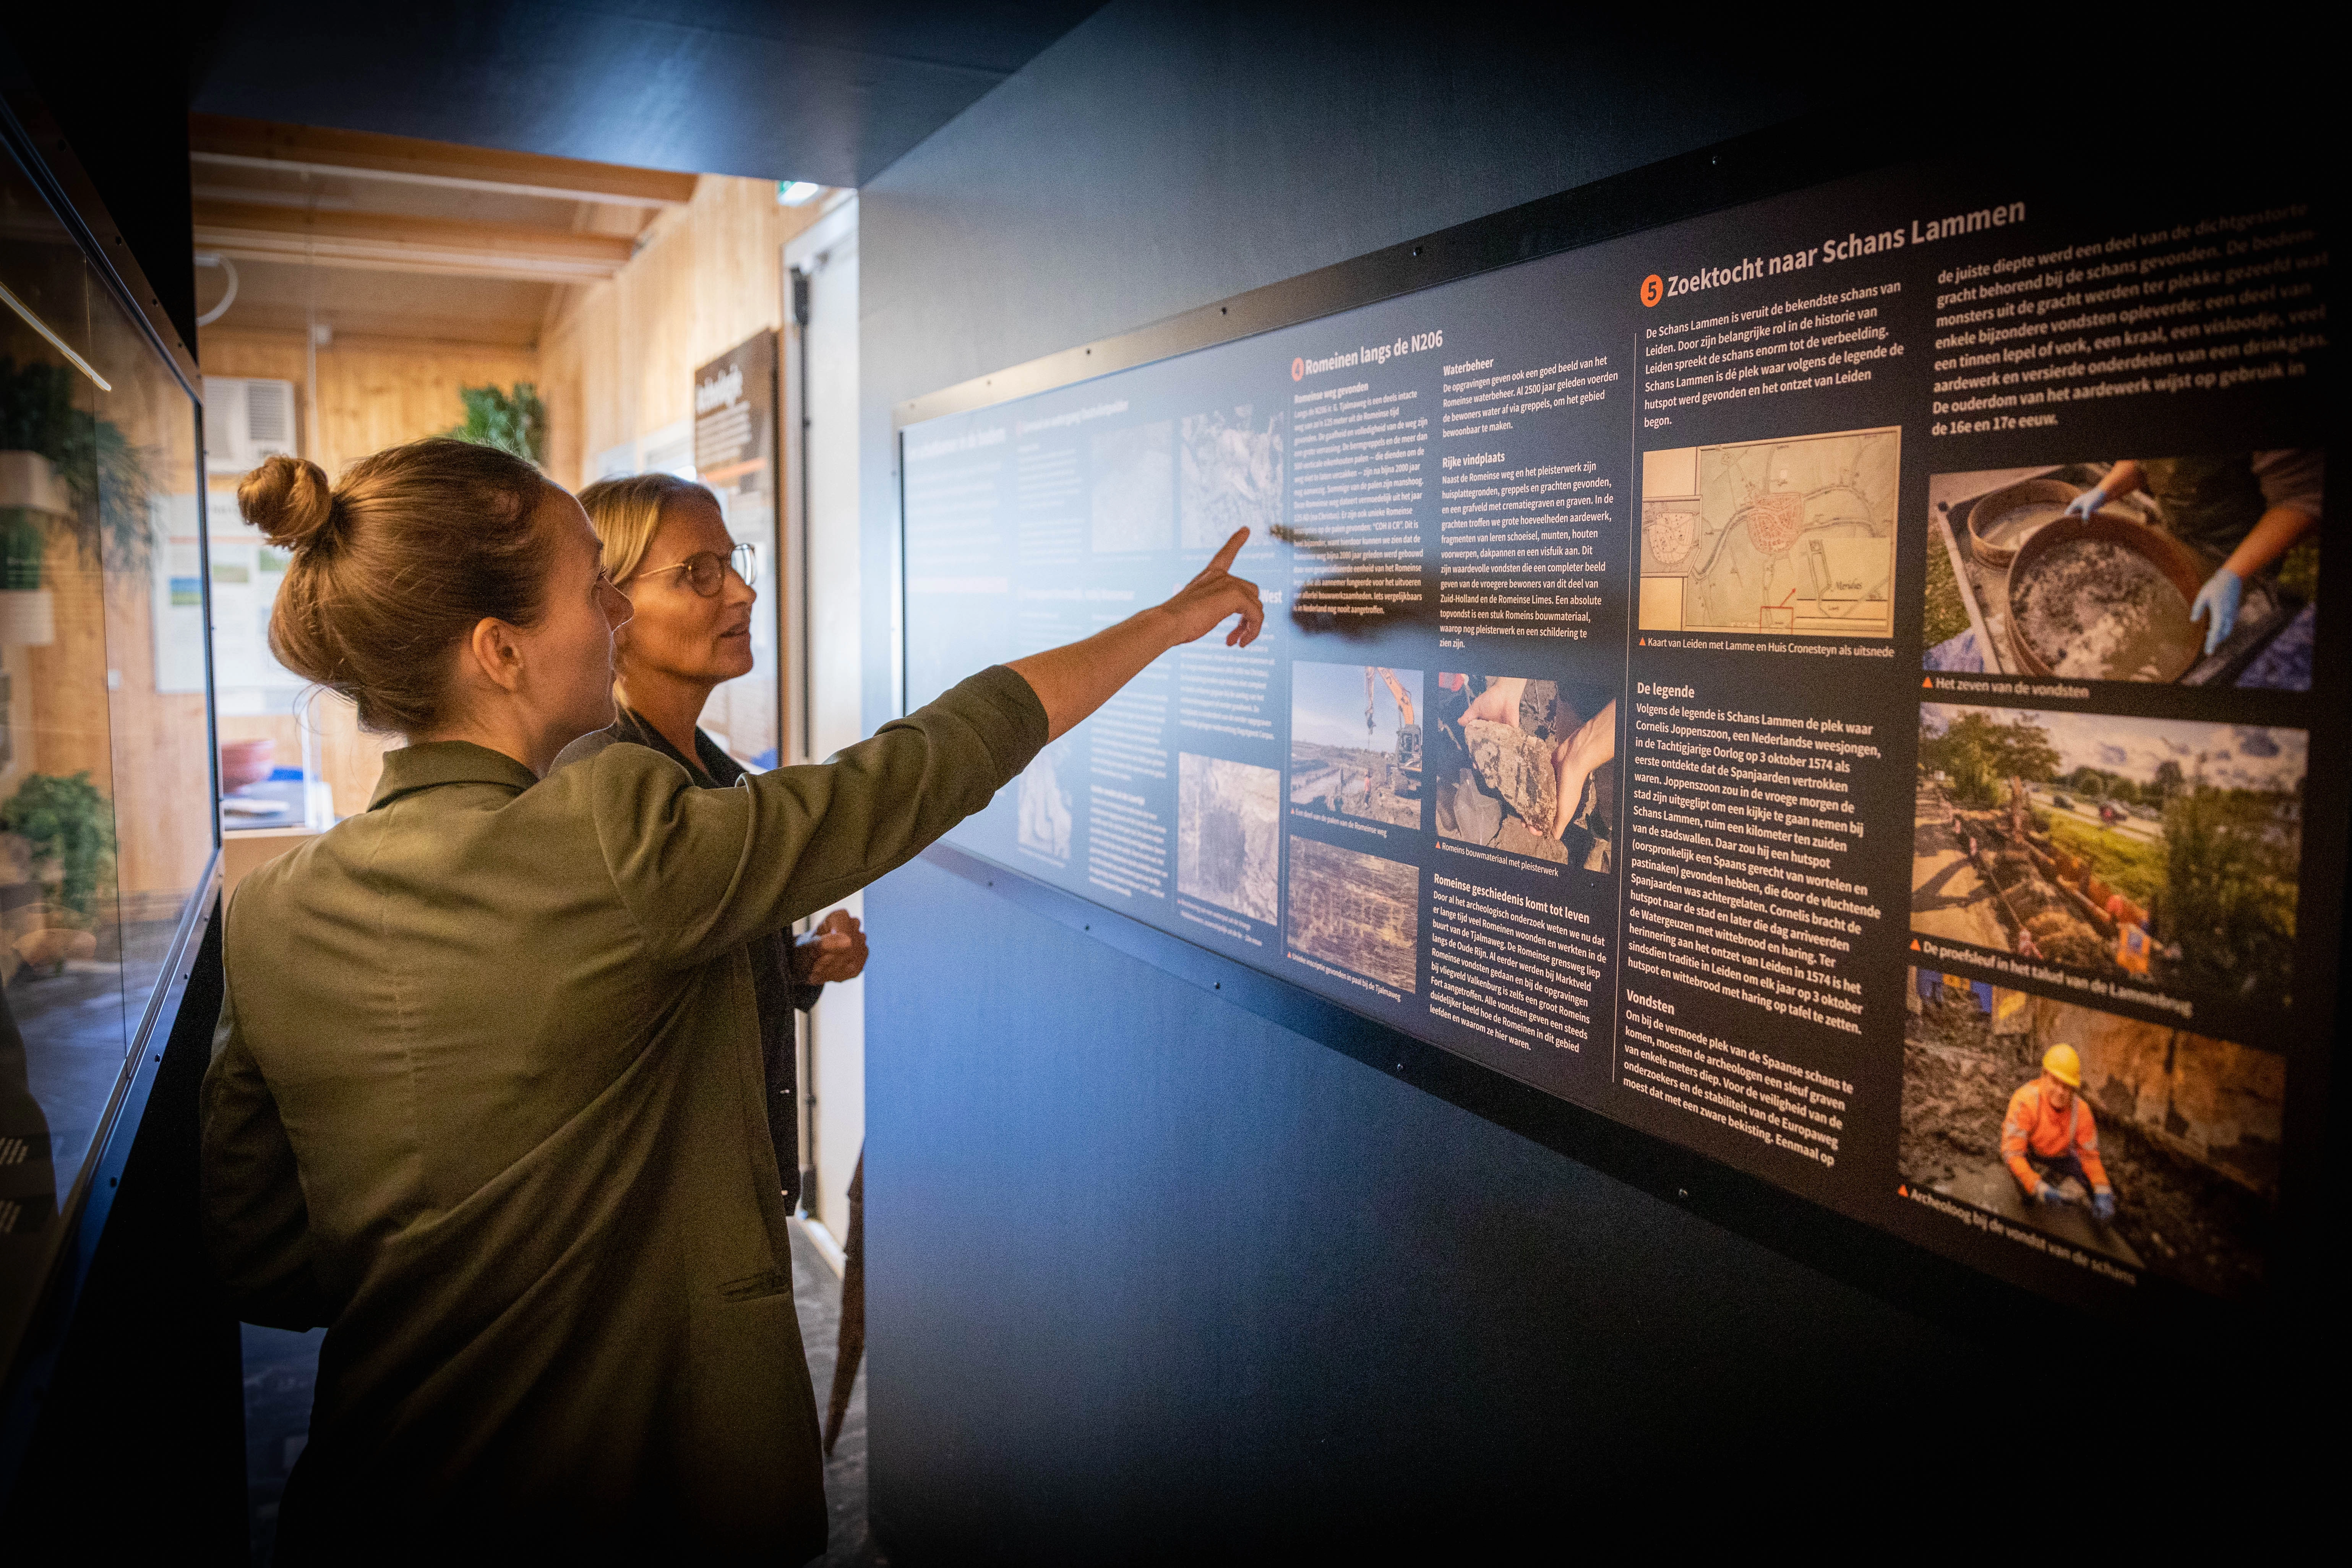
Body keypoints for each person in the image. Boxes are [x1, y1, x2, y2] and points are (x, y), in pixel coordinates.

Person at [198, 439, 1260, 1560]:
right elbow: (924, 763)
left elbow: (267, 1258)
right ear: (501, 648)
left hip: (372, 1491)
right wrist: (1159, 624)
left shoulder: (270, 910)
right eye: (590, 585)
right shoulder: (617, 826)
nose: (612, 609)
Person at [549, 473, 859, 1213]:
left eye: (732, 561)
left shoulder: (714, 771)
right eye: (699, 573)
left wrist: (792, 966)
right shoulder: (598, 788)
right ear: (610, 603)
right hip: (663, 1224)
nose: (743, 594)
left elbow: (681, 976)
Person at [2062, 453, 2323, 654]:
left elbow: (2301, 499)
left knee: (2205, 633)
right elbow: (2142, 462)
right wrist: (2104, 490)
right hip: (2179, 524)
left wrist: (2234, 573)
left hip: (2238, 544)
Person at [2001, 1042, 2116, 1223]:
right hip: (2031, 1152)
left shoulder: (2082, 1112)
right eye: (2056, 1082)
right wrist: (2038, 1188)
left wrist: (2104, 1192)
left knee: (2090, 1180)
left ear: (2074, 1089)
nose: (2061, 1092)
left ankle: (2095, 1211)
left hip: (2062, 1157)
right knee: (2016, 1167)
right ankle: (2032, 1194)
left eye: (2067, 1086)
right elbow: (2013, 1152)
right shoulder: (2026, 1101)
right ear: (2044, 1076)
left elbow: (2090, 1157)